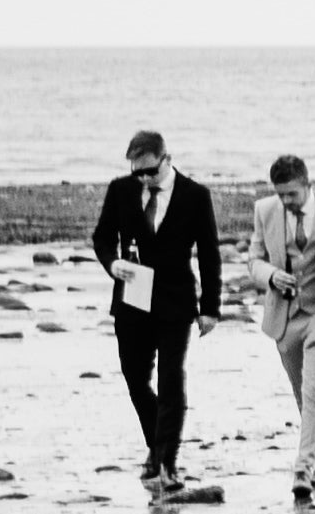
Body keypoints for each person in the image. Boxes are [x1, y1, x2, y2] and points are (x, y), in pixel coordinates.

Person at [90, 130, 219, 495]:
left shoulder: (195, 195)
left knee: (171, 379)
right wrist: (111, 263)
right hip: (132, 294)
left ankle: (167, 462)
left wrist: (210, 308)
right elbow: (101, 237)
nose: (143, 179)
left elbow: (209, 253)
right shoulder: (120, 190)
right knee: (135, 377)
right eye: (137, 173)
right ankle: (157, 444)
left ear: (166, 159)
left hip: (176, 300)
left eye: (149, 171)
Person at [240, 152, 315, 508]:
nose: (285, 201)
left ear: (307, 184)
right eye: (280, 194)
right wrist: (271, 275)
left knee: (314, 391)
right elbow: (253, 260)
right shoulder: (265, 211)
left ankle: (303, 469)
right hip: (285, 317)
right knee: (302, 394)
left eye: (291, 194)